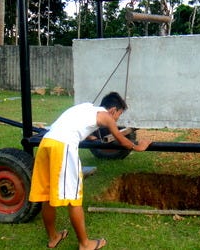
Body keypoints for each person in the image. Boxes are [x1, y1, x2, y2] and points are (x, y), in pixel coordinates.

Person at [29, 92, 152, 249]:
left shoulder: (85, 107)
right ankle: (85, 244)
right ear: (113, 110)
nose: (116, 120)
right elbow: (120, 139)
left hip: (46, 143)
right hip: (62, 147)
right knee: (74, 199)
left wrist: (88, 137)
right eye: (118, 116)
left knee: (47, 196)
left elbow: (72, 124)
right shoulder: (106, 116)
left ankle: (53, 238)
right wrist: (137, 146)